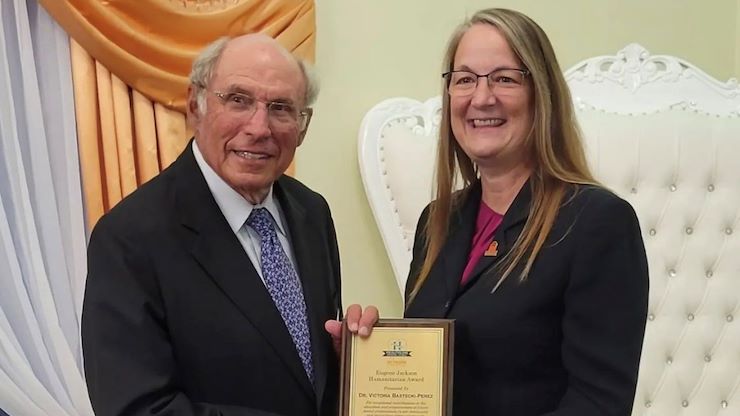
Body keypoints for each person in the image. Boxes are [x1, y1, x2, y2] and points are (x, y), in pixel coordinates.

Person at [82, 34, 377, 416]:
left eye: (281, 108)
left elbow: (299, 374)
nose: (259, 127)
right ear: (195, 105)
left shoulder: (312, 212)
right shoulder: (129, 238)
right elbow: (138, 408)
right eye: (238, 100)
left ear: (303, 126)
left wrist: (354, 364)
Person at [404, 8, 649, 416]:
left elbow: (598, 403)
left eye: (504, 78)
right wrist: (368, 355)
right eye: (464, 79)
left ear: (542, 94)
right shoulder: (436, 222)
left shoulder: (598, 223)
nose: (482, 98)